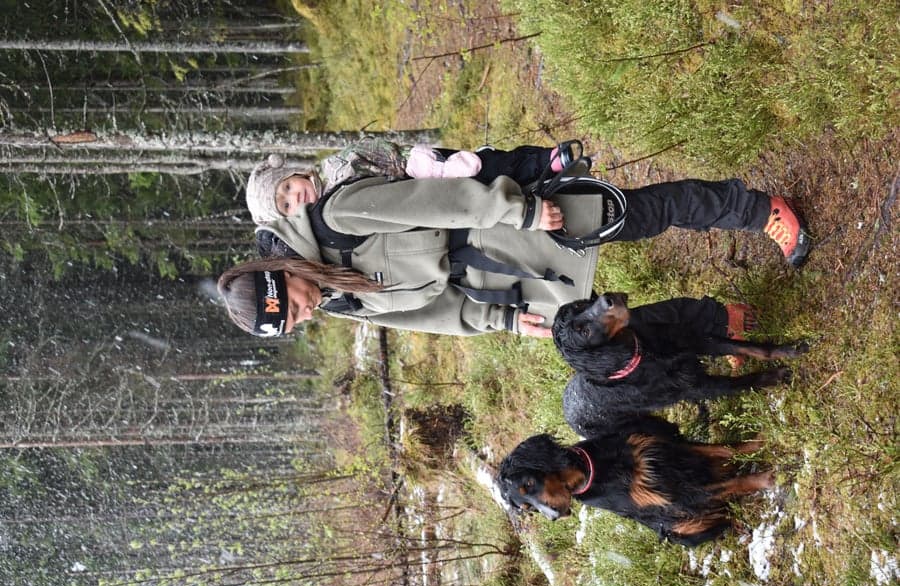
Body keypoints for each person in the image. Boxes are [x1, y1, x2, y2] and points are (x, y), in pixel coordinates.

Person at [218, 142, 811, 338]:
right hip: (506, 278)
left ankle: (757, 210)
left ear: (283, 276)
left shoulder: (334, 218)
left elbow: (435, 201)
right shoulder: (341, 300)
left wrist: (522, 210)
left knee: (636, 215)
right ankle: (719, 320)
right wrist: (496, 321)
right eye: (296, 323)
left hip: (504, 221)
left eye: (295, 305)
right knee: (598, 326)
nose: (308, 311)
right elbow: (429, 315)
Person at [244, 135, 580, 224]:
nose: (295, 197)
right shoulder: (329, 221)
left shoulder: (339, 166)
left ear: (295, 173)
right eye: (286, 204)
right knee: (481, 205)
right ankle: (536, 195)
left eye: (288, 187)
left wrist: (434, 168)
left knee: (485, 168)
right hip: (420, 206)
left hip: (421, 172)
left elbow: (384, 153)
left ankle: (542, 162)